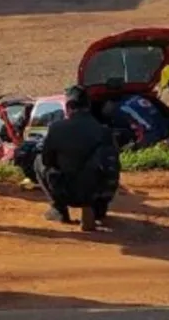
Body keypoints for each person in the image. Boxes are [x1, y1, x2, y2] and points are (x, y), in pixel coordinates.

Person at [35, 85, 120, 231]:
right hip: (97, 193)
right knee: (106, 164)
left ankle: (59, 209)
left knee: (38, 161)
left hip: (68, 192)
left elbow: (47, 161)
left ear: (68, 107)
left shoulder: (57, 128)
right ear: (89, 106)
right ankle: (98, 210)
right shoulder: (104, 131)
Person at [101, 95, 169, 151]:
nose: (107, 114)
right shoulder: (134, 97)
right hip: (164, 126)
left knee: (130, 148)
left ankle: (159, 145)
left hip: (151, 133)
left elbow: (122, 130)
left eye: (104, 111)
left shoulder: (119, 111)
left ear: (108, 103)